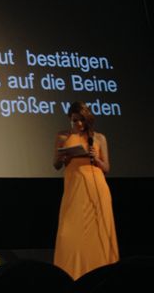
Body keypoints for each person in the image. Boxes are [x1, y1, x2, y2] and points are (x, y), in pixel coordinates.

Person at [53, 101, 119, 279]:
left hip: (96, 189)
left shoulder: (99, 138)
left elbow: (106, 168)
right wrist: (62, 157)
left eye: (81, 120)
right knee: (68, 234)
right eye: (75, 120)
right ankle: (69, 277)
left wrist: (96, 158)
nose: (78, 124)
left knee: (98, 235)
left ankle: (102, 277)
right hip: (74, 190)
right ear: (70, 119)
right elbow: (56, 165)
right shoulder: (63, 136)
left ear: (87, 119)